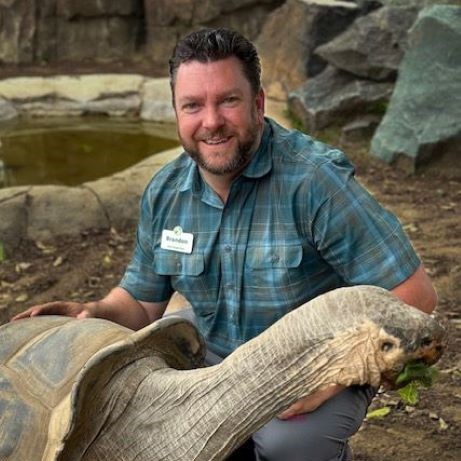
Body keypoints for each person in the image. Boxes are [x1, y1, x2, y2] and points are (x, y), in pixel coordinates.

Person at [13, 28, 437, 461]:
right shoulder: (165, 192)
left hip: (308, 364)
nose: (211, 121)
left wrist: (333, 375)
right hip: (212, 356)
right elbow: (141, 305)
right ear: (176, 112)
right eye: (193, 105)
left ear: (257, 104)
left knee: (289, 443)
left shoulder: (314, 182)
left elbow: (415, 296)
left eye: (228, 101)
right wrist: (94, 313)